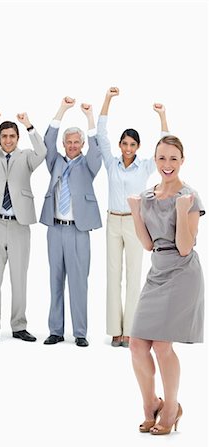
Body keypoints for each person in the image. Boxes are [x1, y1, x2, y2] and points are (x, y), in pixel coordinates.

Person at [127, 135, 205, 435]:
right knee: (136, 344)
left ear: (182, 160)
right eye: (162, 158)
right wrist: (135, 212)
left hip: (183, 273)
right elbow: (148, 245)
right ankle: (151, 405)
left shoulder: (190, 196)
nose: (167, 164)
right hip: (157, 270)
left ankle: (171, 408)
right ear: (155, 160)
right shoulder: (147, 197)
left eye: (173, 158)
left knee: (161, 344)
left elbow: (185, 247)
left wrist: (181, 210)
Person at [97, 87, 169, 347]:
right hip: (113, 221)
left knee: (134, 274)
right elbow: (101, 135)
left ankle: (130, 331)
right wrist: (108, 99)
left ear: (138, 147)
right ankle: (115, 330)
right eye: (124, 143)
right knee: (113, 274)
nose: (128, 148)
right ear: (120, 145)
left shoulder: (146, 166)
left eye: (132, 144)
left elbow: (166, 145)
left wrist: (162, 116)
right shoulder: (111, 163)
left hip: (136, 222)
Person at [0, 109, 47, 343]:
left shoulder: (27, 157)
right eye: (4, 136)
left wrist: (29, 126)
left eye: (12, 136)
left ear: (18, 138)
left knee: (19, 277)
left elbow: (43, 151)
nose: (8, 140)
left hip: (19, 224)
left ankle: (19, 326)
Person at [40, 96, 102, 347]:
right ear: (64, 144)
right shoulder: (55, 161)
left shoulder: (89, 165)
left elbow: (98, 151)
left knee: (78, 283)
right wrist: (62, 110)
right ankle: (55, 330)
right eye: (69, 142)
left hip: (79, 231)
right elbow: (47, 142)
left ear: (82, 144)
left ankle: (80, 332)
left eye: (77, 142)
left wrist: (89, 117)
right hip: (55, 229)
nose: (73, 146)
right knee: (55, 280)